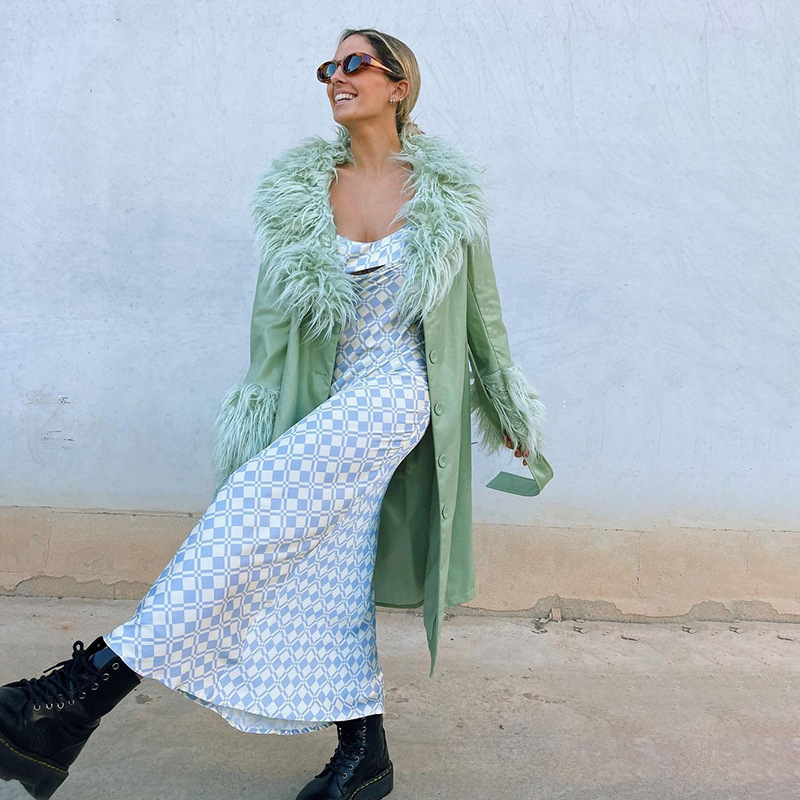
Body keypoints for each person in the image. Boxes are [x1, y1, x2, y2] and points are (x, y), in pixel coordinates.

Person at [0, 27, 548, 800]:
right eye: (330, 67)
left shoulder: (446, 195)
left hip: (395, 392)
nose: (336, 77)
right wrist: (261, 412)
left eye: (355, 64)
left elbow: (481, 314)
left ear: (398, 86)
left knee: (247, 512)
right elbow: (271, 327)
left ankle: (75, 696)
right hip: (319, 398)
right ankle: (366, 754)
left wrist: (508, 403)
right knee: (330, 569)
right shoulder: (299, 192)